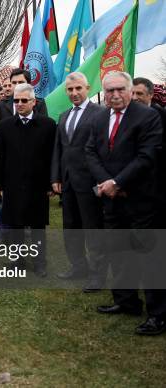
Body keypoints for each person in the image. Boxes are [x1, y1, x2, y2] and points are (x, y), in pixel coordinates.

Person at [85, 71, 165, 336]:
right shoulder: (98, 118)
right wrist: (107, 183)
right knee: (119, 253)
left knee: (150, 257)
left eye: (120, 89)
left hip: (142, 200)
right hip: (112, 201)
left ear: (131, 91)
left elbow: (147, 156)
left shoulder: (148, 116)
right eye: (110, 91)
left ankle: (158, 315)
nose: (115, 95)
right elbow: (91, 152)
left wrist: (117, 182)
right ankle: (126, 301)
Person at [51, 72, 108, 291]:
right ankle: (78, 266)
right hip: (67, 183)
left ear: (87, 88)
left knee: (93, 229)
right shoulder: (64, 116)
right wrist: (55, 177)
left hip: (90, 183)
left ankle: (97, 275)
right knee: (71, 228)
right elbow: (59, 148)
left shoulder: (100, 113)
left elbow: (103, 150)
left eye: (78, 89)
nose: (74, 93)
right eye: (70, 89)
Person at [0, 83, 56, 277]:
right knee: (15, 225)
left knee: (37, 226)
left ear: (33, 102)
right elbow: (0, 157)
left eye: (24, 100)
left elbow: (52, 155)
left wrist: (51, 183)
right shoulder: (5, 126)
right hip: (12, 184)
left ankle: (39, 263)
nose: (19, 104)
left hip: (38, 184)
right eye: (16, 100)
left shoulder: (47, 125)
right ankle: (17, 261)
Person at [132, 77, 166, 228]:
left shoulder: (160, 116)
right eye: (132, 93)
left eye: (139, 93)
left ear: (151, 95)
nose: (135, 98)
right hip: (131, 183)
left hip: (155, 183)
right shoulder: (125, 116)